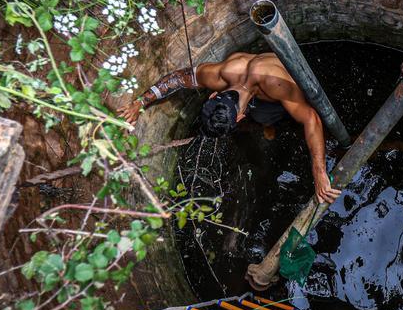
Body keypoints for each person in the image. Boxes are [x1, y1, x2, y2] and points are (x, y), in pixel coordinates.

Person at [119, 52, 341, 204]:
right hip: (255, 99)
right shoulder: (221, 74)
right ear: (214, 96)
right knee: (262, 117)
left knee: (285, 116)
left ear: (239, 116)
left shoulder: (274, 84)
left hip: (287, 91)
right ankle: (265, 124)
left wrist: (319, 172)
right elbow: (179, 78)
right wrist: (140, 103)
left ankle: (270, 123)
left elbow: (311, 118)